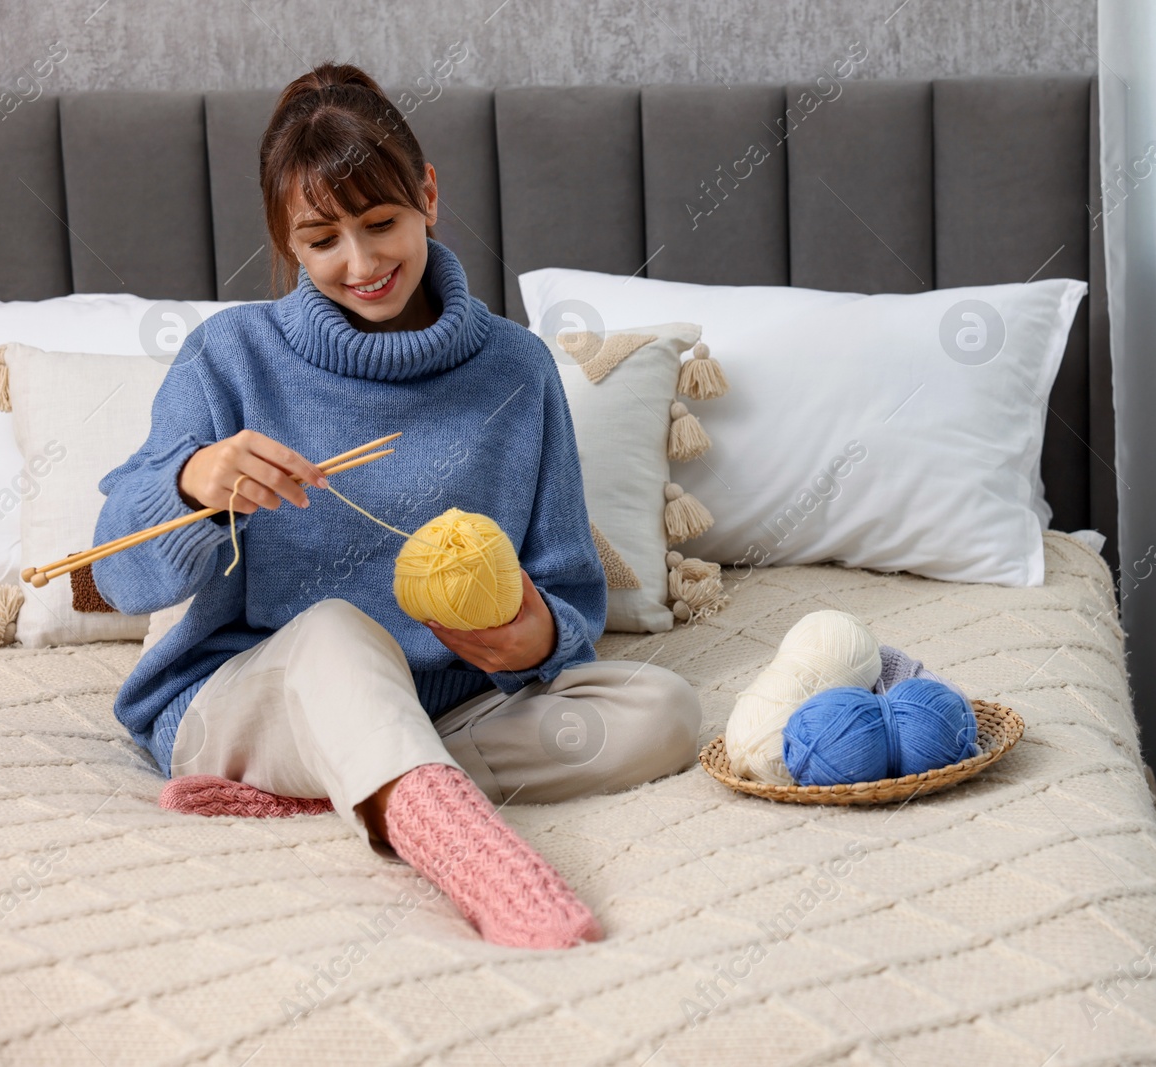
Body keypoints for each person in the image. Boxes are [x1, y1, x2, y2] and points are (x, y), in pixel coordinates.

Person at [90, 61, 702, 950]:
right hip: (247, 703)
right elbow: (114, 570)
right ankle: (477, 858)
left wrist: (531, 633)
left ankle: (357, 778)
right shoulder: (230, 357)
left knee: (665, 710)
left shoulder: (516, 369)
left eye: (381, 224)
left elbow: (569, 591)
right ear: (286, 241)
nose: (362, 263)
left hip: (447, 705)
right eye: (322, 239)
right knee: (340, 630)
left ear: (428, 195)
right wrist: (192, 481)